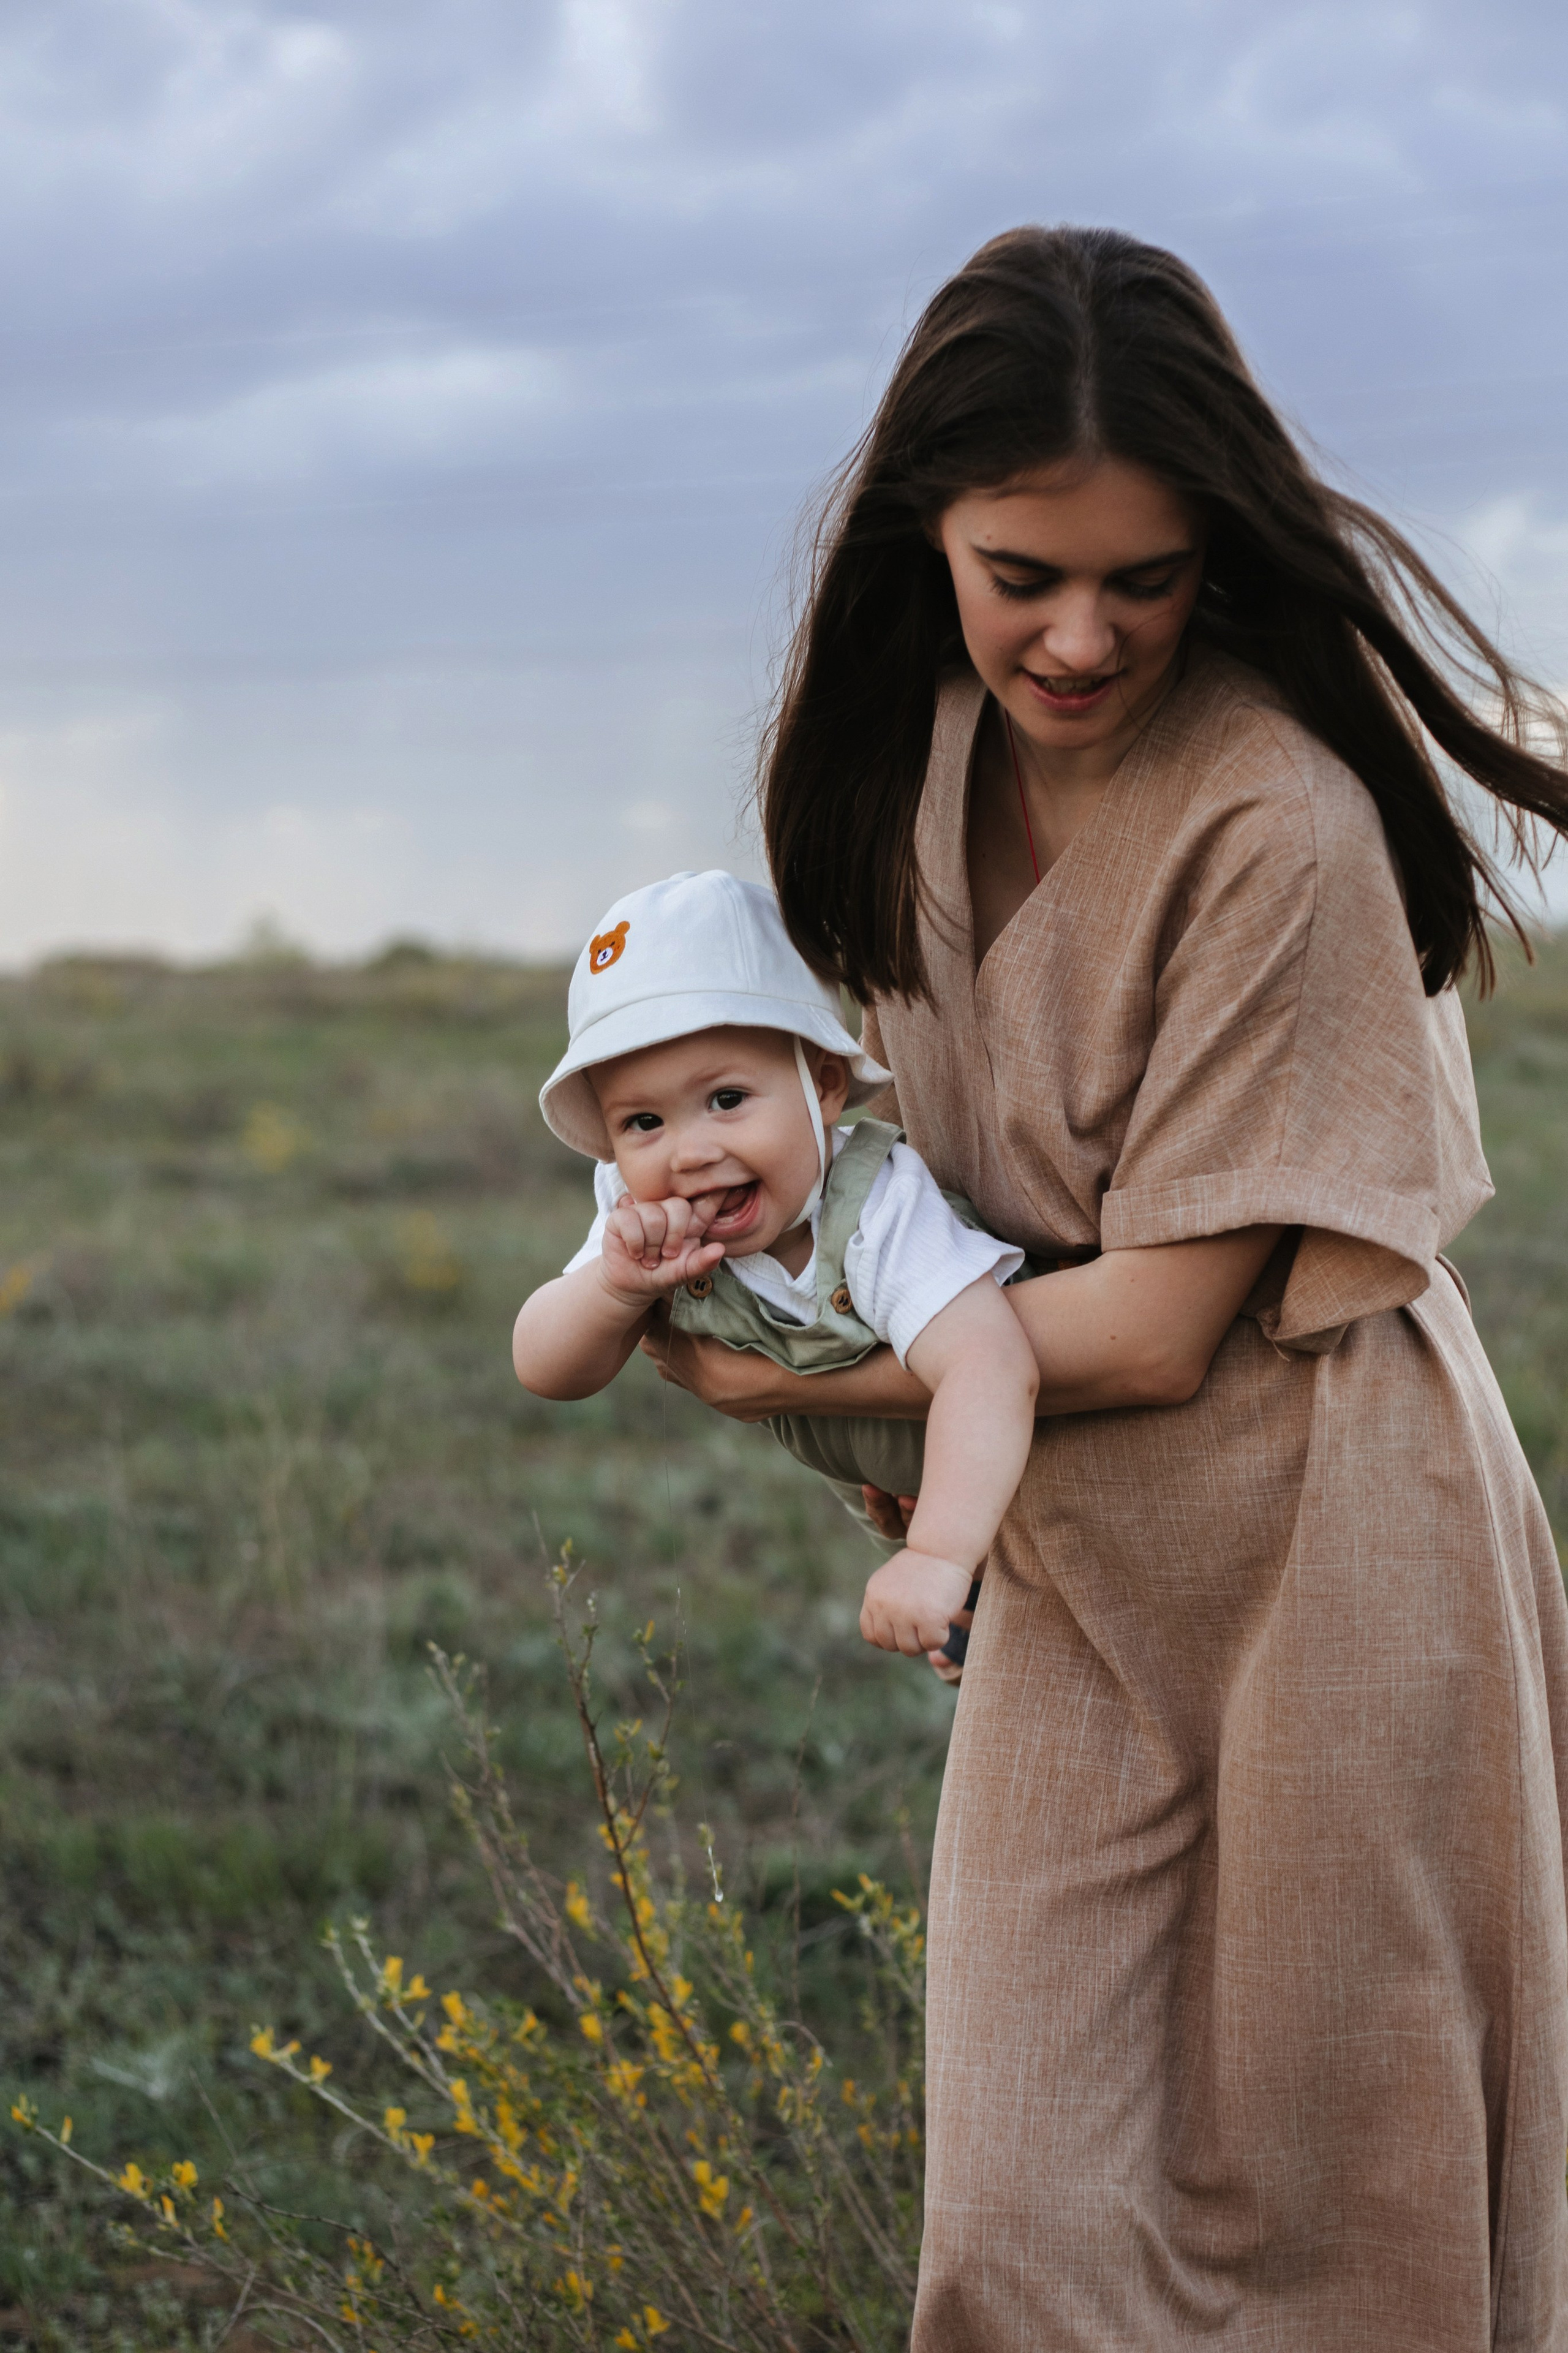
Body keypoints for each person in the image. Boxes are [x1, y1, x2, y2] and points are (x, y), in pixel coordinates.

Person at [646, 225, 1568, 2349]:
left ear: (1216, 552)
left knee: (1348, 2233)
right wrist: (717, 1246)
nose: (1078, 634)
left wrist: (790, 1388)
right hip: (1077, 1569)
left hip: (1334, 1557)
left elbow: (1156, 1322)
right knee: (1026, 2226)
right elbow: (899, 1182)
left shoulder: (1283, 821)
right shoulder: (918, 765)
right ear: (926, 539)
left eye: (1141, 579)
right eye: (1022, 571)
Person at [513, 867, 1038, 1669]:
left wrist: (938, 1553)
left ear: (825, 1086)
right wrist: (611, 1288)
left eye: (726, 1099)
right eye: (644, 1121)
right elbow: (545, 1366)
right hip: (926, 1502)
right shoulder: (637, 1218)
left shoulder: (876, 1206)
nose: (690, 1152)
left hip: (1030, 1477)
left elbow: (990, 1364)